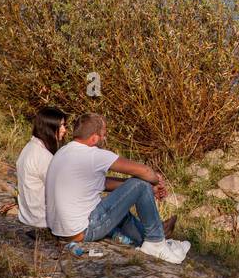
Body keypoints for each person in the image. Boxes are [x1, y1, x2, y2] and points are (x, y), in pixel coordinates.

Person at [45, 113, 188, 263]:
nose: (105, 139)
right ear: (94, 138)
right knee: (141, 183)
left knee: (125, 202)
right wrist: (154, 182)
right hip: (83, 230)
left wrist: (147, 188)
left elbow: (103, 183)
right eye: (103, 134)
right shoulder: (93, 154)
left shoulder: (63, 152)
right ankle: (156, 241)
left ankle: (155, 235)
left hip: (61, 230)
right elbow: (144, 171)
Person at [15, 106, 67, 230]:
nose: (64, 130)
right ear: (49, 128)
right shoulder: (43, 156)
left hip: (29, 216)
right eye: (61, 126)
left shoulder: (30, 148)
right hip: (42, 220)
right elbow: (63, 190)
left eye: (64, 125)